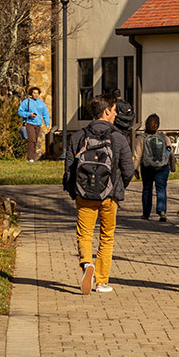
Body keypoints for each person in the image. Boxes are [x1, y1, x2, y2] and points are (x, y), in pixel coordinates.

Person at [62, 96, 134, 294]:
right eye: (113, 110)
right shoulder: (118, 137)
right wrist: (118, 188)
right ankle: (101, 282)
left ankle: (86, 264)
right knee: (106, 236)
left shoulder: (78, 136)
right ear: (106, 112)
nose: (116, 113)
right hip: (109, 196)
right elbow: (128, 169)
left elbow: (69, 167)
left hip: (84, 194)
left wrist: (73, 190)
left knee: (84, 233)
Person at [136, 114, 173, 221]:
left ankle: (146, 213)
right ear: (158, 125)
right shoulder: (164, 137)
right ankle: (162, 210)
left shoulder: (141, 138)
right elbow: (170, 152)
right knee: (161, 189)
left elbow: (138, 156)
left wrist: (134, 169)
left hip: (147, 167)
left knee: (147, 189)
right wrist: (172, 165)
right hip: (162, 167)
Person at [16, 86, 50, 162]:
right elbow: (20, 112)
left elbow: (45, 114)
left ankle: (32, 157)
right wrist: (29, 114)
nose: (36, 95)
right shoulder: (26, 102)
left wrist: (47, 124)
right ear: (31, 93)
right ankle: (30, 158)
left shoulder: (41, 103)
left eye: (37, 93)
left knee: (34, 141)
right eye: (34, 93)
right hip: (29, 123)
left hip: (38, 124)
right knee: (32, 140)